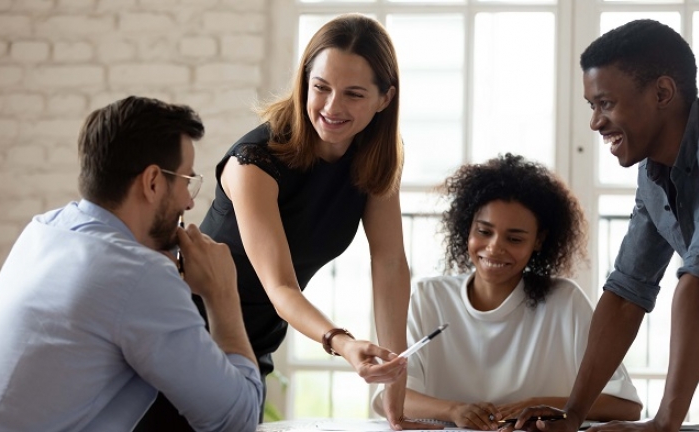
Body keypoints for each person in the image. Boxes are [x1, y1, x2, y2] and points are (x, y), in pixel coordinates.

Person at [139, 13, 425, 432]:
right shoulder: (253, 161)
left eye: (354, 94)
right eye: (321, 87)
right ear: (304, 81)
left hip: (253, 347)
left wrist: (394, 402)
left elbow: (390, 266)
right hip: (185, 337)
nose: (332, 107)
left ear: (385, 99)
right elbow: (281, 287)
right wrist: (343, 342)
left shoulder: (374, 160)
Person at [0, 96, 262, 432]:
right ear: (153, 181)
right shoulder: (137, 275)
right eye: (187, 180)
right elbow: (237, 420)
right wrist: (222, 293)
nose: (189, 200)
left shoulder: (45, 229)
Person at [510, 19, 699, 432]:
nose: (595, 123)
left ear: (662, 93)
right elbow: (626, 293)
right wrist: (574, 413)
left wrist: (663, 424)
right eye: (591, 106)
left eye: (606, 104)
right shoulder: (653, 173)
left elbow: (696, 285)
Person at [371, 154, 643, 429]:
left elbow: (627, 406)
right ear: (467, 227)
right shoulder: (429, 298)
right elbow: (389, 399)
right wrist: (454, 411)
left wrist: (538, 403)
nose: (494, 248)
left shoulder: (565, 301)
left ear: (539, 240)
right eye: (484, 231)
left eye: (514, 239)